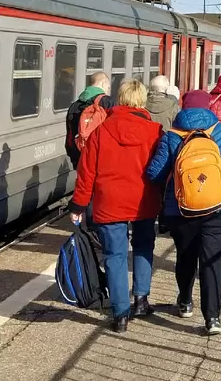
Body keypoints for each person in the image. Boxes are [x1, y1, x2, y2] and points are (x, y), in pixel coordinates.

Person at [68, 79, 163, 332]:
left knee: (115, 256)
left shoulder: (101, 131)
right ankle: (141, 299)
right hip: (144, 200)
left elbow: (86, 173)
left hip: (110, 203)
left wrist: (78, 205)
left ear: (120, 99)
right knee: (143, 247)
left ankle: (120, 315)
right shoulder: (155, 131)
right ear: (143, 101)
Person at [146, 90, 221, 335]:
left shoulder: (171, 136)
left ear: (183, 107)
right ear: (208, 107)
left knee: (186, 257)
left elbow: (155, 174)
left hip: (182, 208)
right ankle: (212, 317)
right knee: (212, 260)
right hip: (220, 206)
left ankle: (185, 301)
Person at [65, 72, 116, 169]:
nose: (108, 90)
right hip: (102, 160)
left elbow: (70, 137)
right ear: (103, 83)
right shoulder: (109, 103)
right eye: (108, 87)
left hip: (80, 158)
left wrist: (75, 159)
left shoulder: (74, 106)